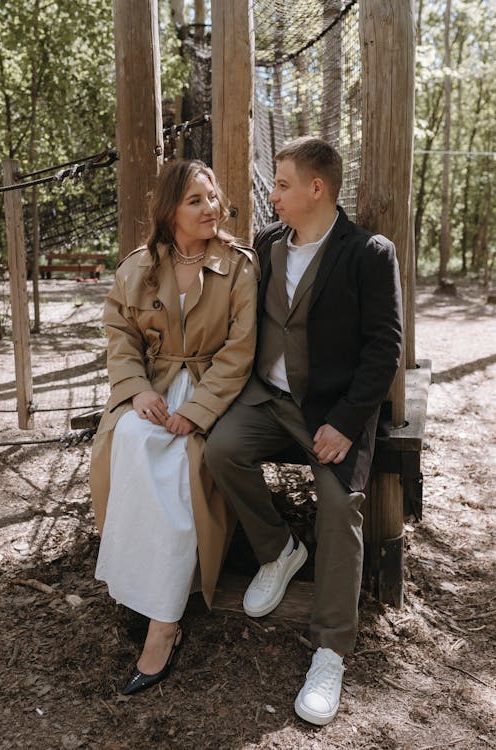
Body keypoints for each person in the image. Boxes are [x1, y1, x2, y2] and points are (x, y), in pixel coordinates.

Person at [205, 137, 403, 725]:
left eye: (283, 184)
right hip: (266, 399)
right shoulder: (267, 242)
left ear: (317, 188)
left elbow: (384, 347)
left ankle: (330, 650)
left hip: (331, 411)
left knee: (340, 507)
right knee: (219, 450)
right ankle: (279, 550)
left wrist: (345, 422)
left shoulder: (368, 252)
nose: (274, 194)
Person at [89, 159, 258, 695]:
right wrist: (137, 389)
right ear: (169, 211)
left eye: (213, 197)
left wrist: (199, 409)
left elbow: (240, 351)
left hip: (212, 391)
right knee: (131, 440)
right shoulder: (137, 267)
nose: (211, 207)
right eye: (196, 201)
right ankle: (138, 589)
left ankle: (163, 626)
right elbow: (119, 334)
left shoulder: (239, 266)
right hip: (153, 388)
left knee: (184, 463)